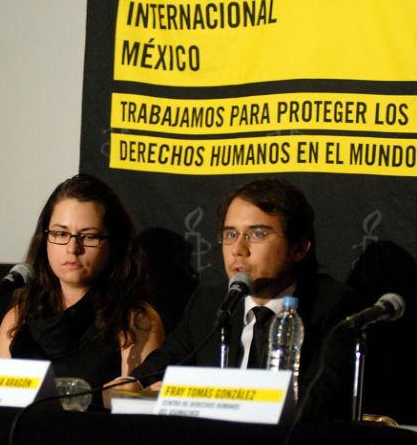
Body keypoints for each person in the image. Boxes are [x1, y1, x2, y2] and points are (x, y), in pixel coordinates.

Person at [128, 177, 363, 422]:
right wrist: (129, 385)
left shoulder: (335, 308)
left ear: (299, 248)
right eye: (230, 234)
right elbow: (152, 372)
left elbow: (316, 402)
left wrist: (195, 397)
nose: (238, 248)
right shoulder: (208, 304)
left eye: (257, 233)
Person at [0, 173, 164, 400]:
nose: (72, 248)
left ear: (113, 244)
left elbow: (133, 413)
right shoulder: (18, 318)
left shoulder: (135, 320)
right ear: (45, 238)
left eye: (89, 236)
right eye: (60, 233)